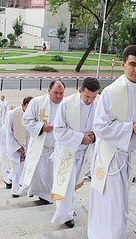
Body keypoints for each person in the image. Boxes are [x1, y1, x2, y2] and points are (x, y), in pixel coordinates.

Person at [88, 45, 136, 239]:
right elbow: (99, 126)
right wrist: (129, 129)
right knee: (112, 201)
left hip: (131, 155)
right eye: (133, 64)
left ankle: (103, 235)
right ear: (123, 64)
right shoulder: (111, 92)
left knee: (120, 201)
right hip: (111, 156)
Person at [51, 77, 100, 228]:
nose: (90, 101)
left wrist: (93, 137)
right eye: (87, 97)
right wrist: (80, 137)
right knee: (65, 183)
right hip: (68, 150)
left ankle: (68, 209)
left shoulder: (99, 102)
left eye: (94, 97)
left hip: (85, 152)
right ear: (80, 91)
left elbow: (102, 125)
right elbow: (58, 130)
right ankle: (65, 215)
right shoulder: (67, 104)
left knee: (72, 184)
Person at [19, 80, 65, 204]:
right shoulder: (37, 102)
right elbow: (26, 120)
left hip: (57, 148)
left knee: (53, 175)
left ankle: (48, 196)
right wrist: (41, 127)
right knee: (38, 173)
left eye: (61, 93)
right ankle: (40, 194)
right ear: (48, 90)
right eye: (56, 92)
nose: (59, 96)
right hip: (40, 147)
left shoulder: (66, 104)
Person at [5, 96, 33, 198]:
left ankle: (23, 187)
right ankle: (15, 190)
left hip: (27, 145)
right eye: (29, 107)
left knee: (25, 169)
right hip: (15, 145)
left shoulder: (32, 115)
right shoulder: (12, 114)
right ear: (23, 105)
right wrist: (17, 147)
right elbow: (9, 133)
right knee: (16, 168)